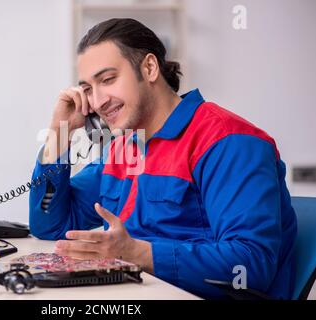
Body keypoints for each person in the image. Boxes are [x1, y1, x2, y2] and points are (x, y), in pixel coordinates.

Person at [29, 18, 297, 299]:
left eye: (108, 80)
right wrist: (59, 134)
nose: (96, 102)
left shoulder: (230, 142)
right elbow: (51, 225)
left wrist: (136, 253)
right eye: (87, 89)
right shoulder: (124, 148)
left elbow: (250, 266)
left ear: (149, 68)